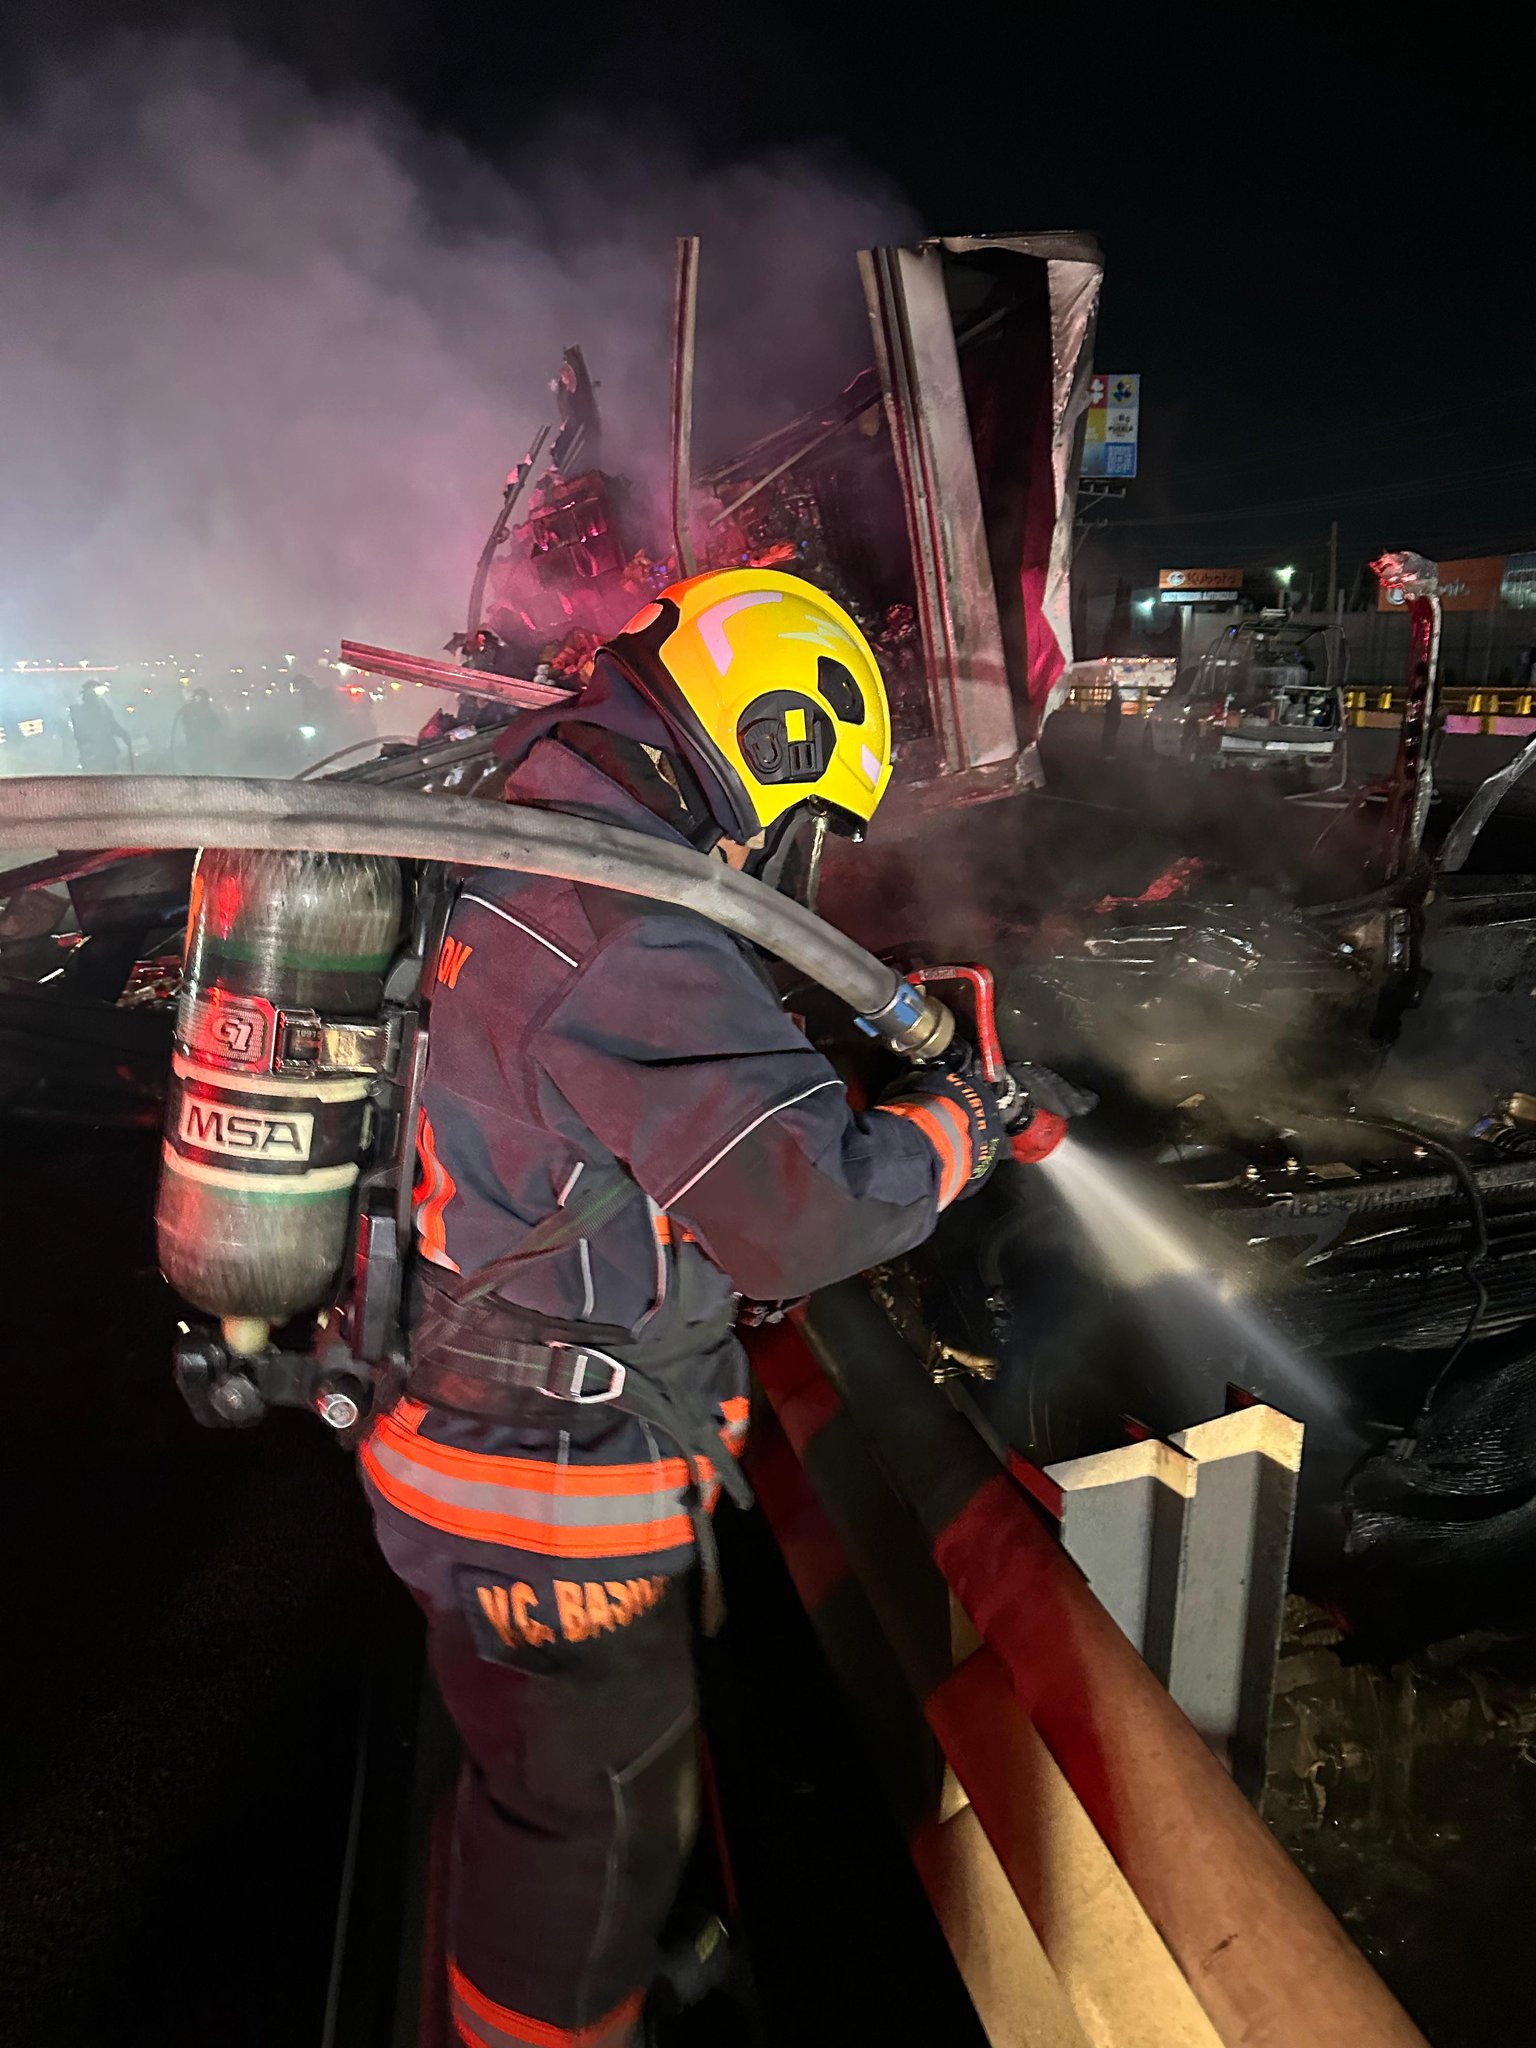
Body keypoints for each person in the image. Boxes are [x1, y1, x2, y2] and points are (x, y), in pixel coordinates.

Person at [360, 568, 1006, 2048]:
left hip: (459, 1409)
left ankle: (595, 1963)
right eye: (805, 817)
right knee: (583, 1832)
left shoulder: (517, 839)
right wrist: (959, 1124)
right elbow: (806, 1211)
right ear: (768, 739)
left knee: (536, 1780)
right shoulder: (625, 924)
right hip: (547, 1476)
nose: (780, 854)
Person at [68, 679, 132, 773]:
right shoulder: (79, 711)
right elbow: (81, 733)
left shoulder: (103, 708)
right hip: (92, 754)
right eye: (92, 691)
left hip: (107, 752)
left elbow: (112, 724)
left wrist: (123, 734)